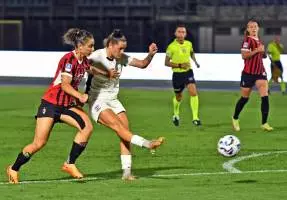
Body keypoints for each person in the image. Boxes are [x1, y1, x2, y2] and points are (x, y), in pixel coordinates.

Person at [7, 28, 97, 184]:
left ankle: (69, 164)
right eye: (90, 46)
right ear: (80, 45)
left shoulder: (85, 61)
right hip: (50, 104)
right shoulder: (68, 60)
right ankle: (13, 168)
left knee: (87, 127)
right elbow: (65, 86)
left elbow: (91, 70)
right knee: (39, 143)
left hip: (67, 105)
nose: (92, 49)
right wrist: (81, 96)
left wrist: (107, 73)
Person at [86, 29, 164, 181]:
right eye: (120, 48)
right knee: (118, 127)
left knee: (125, 133)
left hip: (113, 100)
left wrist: (150, 54)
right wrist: (105, 73)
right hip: (97, 99)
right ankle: (147, 144)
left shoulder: (121, 58)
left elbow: (142, 64)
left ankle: (127, 173)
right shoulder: (97, 55)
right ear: (110, 45)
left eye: (124, 49)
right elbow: (84, 67)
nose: (122, 51)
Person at [232, 19, 273, 132]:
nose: (253, 28)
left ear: (258, 28)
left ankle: (264, 123)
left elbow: (262, 56)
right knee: (245, 98)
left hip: (260, 72)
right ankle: (235, 118)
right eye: (251, 27)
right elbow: (244, 56)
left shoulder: (259, 41)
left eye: (255, 26)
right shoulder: (247, 40)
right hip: (248, 73)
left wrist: (263, 52)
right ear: (248, 29)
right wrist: (257, 50)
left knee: (264, 97)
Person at [164, 24, 201, 127]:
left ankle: (195, 118)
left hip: (188, 72)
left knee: (193, 92)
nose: (181, 34)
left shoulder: (189, 44)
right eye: (179, 32)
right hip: (177, 75)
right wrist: (180, 65)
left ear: (185, 34)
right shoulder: (171, 47)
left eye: (183, 32)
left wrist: (195, 62)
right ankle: (176, 114)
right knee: (178, 97)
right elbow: (166, 63)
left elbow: (191, 53)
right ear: (175, 33)